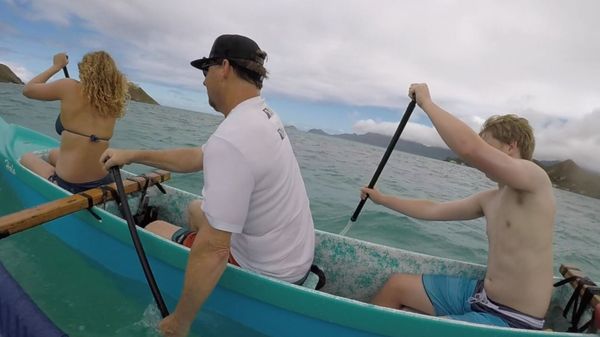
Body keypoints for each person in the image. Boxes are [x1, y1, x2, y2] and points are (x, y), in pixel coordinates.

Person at [100, 34, 315, 337]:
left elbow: (214, 249)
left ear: (223, 67)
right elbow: (200, 155)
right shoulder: (262, 115)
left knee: (154, 229)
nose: (203, 82)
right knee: (194, 208)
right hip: (293, 257)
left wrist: (180, 322)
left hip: (268, 271)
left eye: (205, 71)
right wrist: (133, 155)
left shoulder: (234, 138)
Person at [361, 83, 555, 330]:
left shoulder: (534, 179)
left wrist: (426, 103)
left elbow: (469, 148)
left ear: (511, 145)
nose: (482, 155)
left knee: (417, 328)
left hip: (513, 317)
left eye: (488, 145)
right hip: (481, 295)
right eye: (482, 146)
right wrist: (383, 199)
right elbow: (433, 209)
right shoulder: (490, 199)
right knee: (397, 286)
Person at [20, 51, 128, 193]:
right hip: (104, 178)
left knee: (26, 158)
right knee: (53, 153)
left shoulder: (69, 86)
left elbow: (28, 90)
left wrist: (57, 66)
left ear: (86, 70)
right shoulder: (113, 101)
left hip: (72, 185)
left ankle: (54, 180)